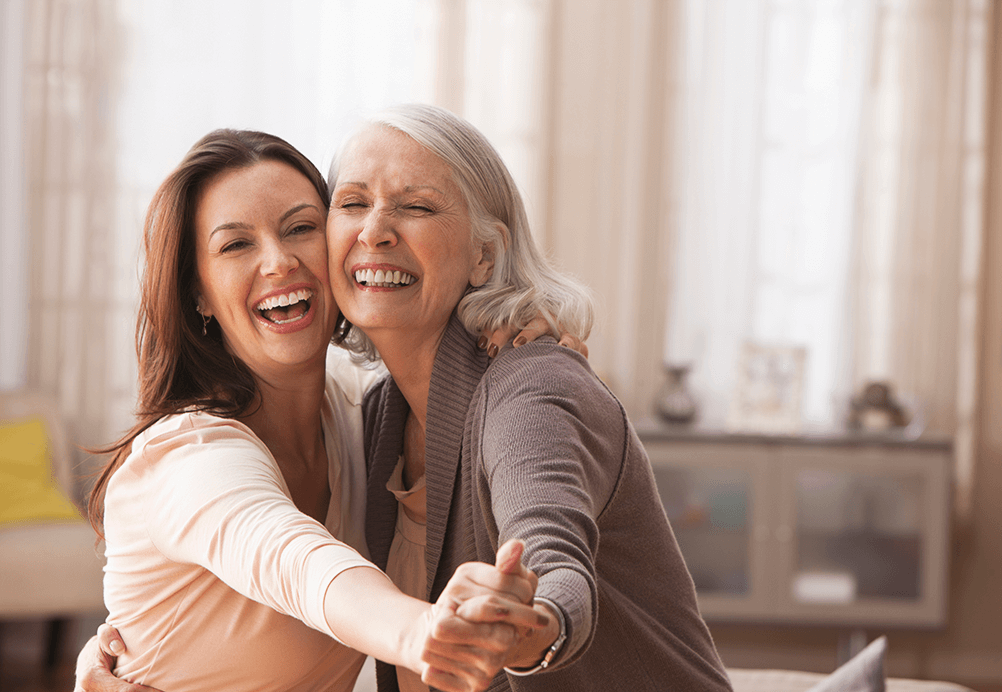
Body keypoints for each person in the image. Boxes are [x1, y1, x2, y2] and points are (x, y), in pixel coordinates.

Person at [79, 128, 550, 692]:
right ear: (197, 293)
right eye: (236, 245)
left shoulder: (360, 414)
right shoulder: (187, 456)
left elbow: (437, 353)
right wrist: (425, 632)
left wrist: (521, 325)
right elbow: (297, 564)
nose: (278, 262)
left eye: (301, 228)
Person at [322, 104, 733, 691]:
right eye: (353, 202)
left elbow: (551, 557)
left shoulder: (531, 386)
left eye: (416, 206)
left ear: (484, 255)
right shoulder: (376, 416)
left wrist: (530, 621)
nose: (375, 230)